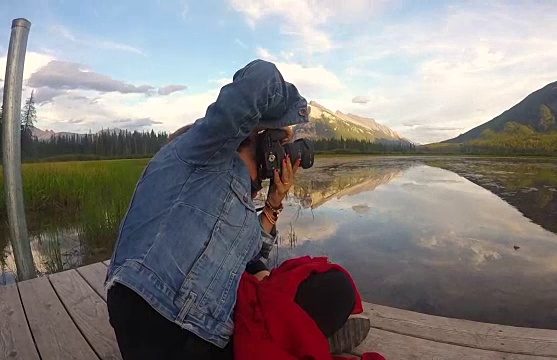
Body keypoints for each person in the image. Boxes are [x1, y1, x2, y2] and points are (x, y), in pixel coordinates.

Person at [104, 59, 370, 359]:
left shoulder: (241, 200)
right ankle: (302, 341)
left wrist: (272, 204)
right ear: (255, 135)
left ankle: (295, 340)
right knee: (320, 292)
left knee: (335, 287)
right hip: (155, 311)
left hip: (203, 336)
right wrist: (288, 118)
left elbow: (247, 261)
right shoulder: (201, 153)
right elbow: (261, 78)